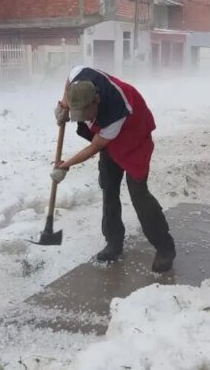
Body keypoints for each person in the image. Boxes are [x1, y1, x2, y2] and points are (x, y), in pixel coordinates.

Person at [51, 66, 176, 273]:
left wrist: (65, 165)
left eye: (85, 113)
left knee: (138, 194)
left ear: (96, 101)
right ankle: (113, 242)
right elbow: (69, 76)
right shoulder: (79, 75)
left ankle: (165, 247)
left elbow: (95, 146)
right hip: (108, 137)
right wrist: (64, 105)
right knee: (109, 187)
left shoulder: (116, 111)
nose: (82, 118)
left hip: (133, 136)